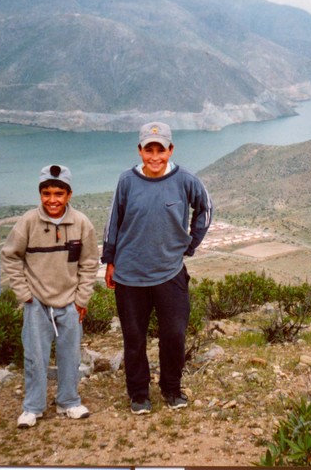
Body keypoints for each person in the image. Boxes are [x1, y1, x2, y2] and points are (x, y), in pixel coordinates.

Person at [103, 121, 213, 414]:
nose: (154, 157)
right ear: (139, 150)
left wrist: (191, 244)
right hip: (130, 274)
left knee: (174, 334)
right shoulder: (127, 181)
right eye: (148, 150)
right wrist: (110, 260)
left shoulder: (186, 179)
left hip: (170, 272)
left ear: (170, 149)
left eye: (160, 150)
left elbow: (206, 209)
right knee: (134, 338)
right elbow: (113, 221)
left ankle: (171, 388)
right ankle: (139, 394)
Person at [0, 164, 99, 428]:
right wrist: (24, 294)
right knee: (35, 356)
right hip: (37, 303)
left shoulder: (81, 223)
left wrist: (81, 299)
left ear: (69, 195)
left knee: (71, 355)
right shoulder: (28, 222)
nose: (52, 199)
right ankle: (33, 407)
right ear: (40, 194)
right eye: (46, 193)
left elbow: (90, 263)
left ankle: (69, 401)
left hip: (69, 302)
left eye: (58, 193)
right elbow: (10, 256)